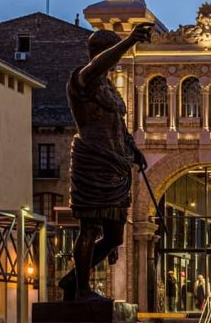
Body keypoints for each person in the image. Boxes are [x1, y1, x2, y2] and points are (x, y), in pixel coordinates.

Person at [58, 23, 153, 302]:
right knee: (89, 227)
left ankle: (70, 281)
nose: (118, 59)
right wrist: (128, 42)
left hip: (115, 162)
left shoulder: (108, 88)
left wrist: (133, 149)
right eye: (113, 52)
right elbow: (101, 64)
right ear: (101, 53)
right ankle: (82, 290)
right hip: (93, 159)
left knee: (115, 237)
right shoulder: (82, 79)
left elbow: (118, 125)